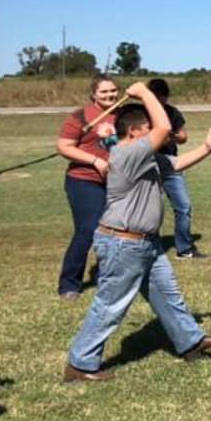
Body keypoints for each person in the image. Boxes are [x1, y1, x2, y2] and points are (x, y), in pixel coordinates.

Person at [65, 82, 211, 381]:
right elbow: (164, 127)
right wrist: (144, 93)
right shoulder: (126, 154)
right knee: (111, 305)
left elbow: (177, 162)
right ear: (133, 132)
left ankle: (190, 342)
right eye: (147, 129)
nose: (156, 133)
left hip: (146, 244)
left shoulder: (146, 157)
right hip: (123, 243)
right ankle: (80, 363)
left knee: (168, 294)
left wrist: (207, 148)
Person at [55, 75, 120, 300]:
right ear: (93, 94)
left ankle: (108, 276)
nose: (110, 95)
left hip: (115, 182)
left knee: (114, 230)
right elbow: (64, 146)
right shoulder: (80, 116)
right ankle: (69, 284)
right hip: (83, 180)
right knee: (88, 229)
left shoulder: (123, 114)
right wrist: (95, 161)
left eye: (113, 90)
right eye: (104, 92)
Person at [146, 78, 203, 259]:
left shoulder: (172, 112)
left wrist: (174, 137)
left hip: (171, 163)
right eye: (156, 97)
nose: (160, 101)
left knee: (184, 206)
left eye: (163, 97)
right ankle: (148, 247)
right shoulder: (141, 113)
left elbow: (184, 136)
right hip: (148, 162)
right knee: (151, 208)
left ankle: (184, 248)